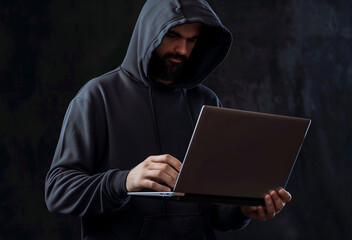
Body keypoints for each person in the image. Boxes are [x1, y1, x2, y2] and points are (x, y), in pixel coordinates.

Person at [45, 0, 292, 239]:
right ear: (149, 32)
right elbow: (58, 193)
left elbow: (215, 213)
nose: (182, 50)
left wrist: (242, 211)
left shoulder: (205, 101)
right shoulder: (97, 97)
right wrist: (125, 181)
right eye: (173, 36)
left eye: (191, 40)